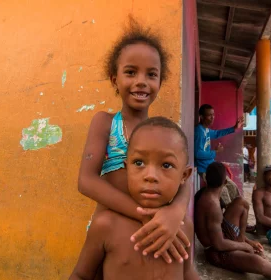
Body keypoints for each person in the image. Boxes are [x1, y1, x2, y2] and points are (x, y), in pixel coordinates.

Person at [77, 18, 190, 269]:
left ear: (160, 81)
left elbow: (185, 175)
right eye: (131, 72)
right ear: (114, 79)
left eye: (151, 74)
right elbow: (86, 180)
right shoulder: (105, 123)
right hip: (109, 231)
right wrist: (146, 215)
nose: (141, 81)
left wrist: (176, 211)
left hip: (154, 229)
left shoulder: (163, 133)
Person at [70, 117, 199, 280]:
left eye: (166, 165)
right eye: (139, 163)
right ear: (126, 169)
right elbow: (81, 276)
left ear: (184, 175)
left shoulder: (182, 225)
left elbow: (187, 272)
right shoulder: (106, 226)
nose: (150, 176)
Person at [194, 104, 244, 180]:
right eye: (209, 115)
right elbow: (198, 154)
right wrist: (215, 152)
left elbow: (217, 133)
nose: (212, 117)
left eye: (213, 115)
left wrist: (234, 128)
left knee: (230, 185)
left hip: (210, 165)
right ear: (201, 117)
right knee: (225, 188)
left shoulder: (206, 129)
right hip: (204, 169)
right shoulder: (199, 131)